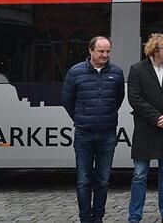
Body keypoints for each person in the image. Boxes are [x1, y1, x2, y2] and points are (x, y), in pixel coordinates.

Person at [61, 36, 125, 223]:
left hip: (107, 133)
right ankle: (85, 218)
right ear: (90, 51)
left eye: (108, 51)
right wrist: (81, 118)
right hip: (84, 134)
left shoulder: (117, 73)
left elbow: (118, 99)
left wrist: (106, 116)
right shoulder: (75, 72)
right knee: (84, 180)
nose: (105, 55)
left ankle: (98, 217)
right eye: (101, 51)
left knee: (103, 181)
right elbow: (67, 101)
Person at [127, 33, 163, 223]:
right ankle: (135, 217)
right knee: (140, 174)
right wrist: (156, 117)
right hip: (145, 128)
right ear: (154, 50)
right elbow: (134, 99)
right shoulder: (137, 70)